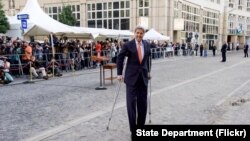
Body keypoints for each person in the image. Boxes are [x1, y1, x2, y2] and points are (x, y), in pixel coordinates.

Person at [117, 25, 152, 140]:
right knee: (131, 106)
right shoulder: (128, 45)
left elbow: (148, 59)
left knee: (143, 106)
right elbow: (120, 58)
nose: (139, 35)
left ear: (143, 34)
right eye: (137, 33)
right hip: (131, 79)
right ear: (134, 33)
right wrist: (119, 73)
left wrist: (149, 71)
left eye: (141, 33)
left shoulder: (147, 45)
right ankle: (134, 131)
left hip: (143, 79)